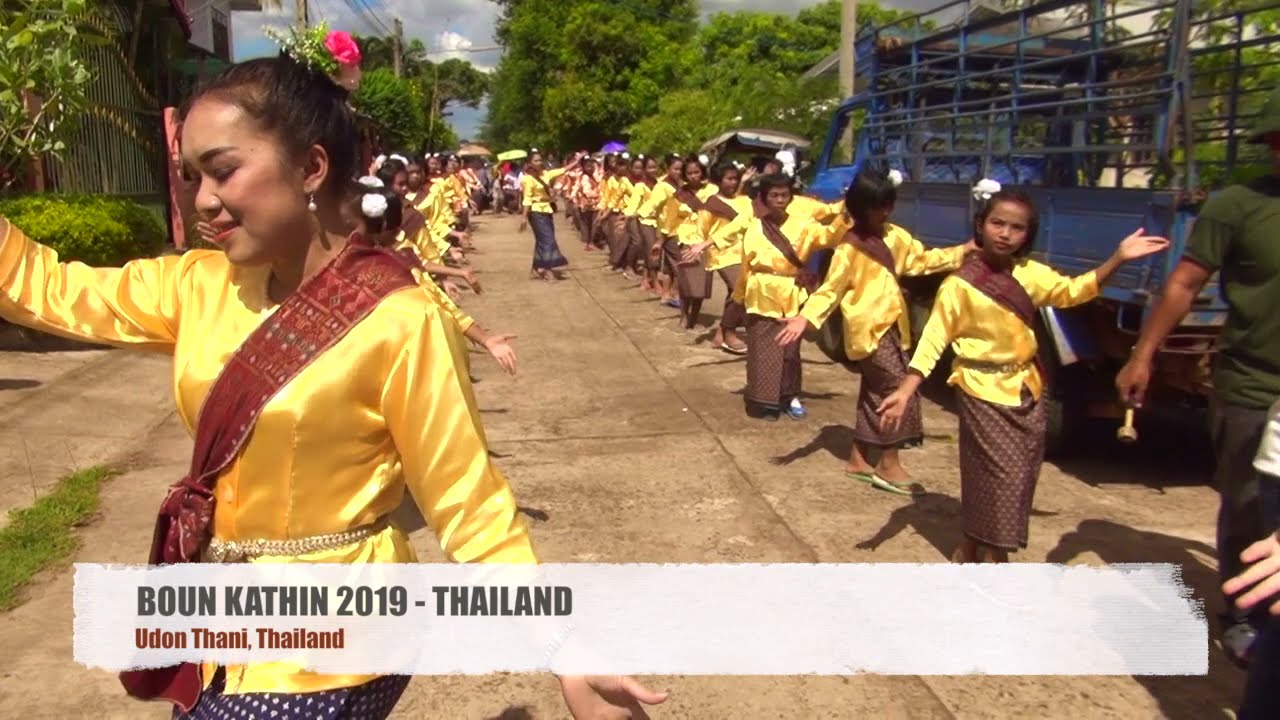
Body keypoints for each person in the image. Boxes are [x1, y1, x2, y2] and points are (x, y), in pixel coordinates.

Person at [0, 43, 663, 719]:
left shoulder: (399, 320)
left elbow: (468, 500)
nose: (203, 201)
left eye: (223, 171)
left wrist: (559, 643)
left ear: (311, 167)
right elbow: (43, 289)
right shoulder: (198, 285)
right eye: (191, 176)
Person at [878, 185, 1169, 563]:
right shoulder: (958, 285)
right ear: (980, 225)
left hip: (1026, 391)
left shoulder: (1031, 275)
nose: (1005, 234)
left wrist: (1118, 258)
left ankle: (974, 542)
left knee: (1018, 479)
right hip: (980, 390)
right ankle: (995, 556)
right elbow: (933, 340)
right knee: (994, 476)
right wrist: (906, 390)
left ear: (1027, 235)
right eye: (997, 223)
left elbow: (1073, 292)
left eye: (1016, 228)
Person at [1116, 86, 1280, 667]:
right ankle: (1242, 614)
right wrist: (1143, 355)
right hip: (1254, 384)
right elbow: (1184, 283)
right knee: (1248, 503)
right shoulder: (1237, 206)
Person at [780, 168, 974, 494]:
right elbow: (830, 290)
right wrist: (805, 318)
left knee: (875, 391)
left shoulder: (896, 236)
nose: (883, 212)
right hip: (868, 331)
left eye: (887, 205)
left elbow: (921, 261)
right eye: (876, 207)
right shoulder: (848, 248)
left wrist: (961, 251)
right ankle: (888, 463)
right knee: (899, 389)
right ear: (859, 207)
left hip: (895, 325)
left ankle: (858, 458)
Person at [713, 174, 841, 421]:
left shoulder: (805, 226)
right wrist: (739, 298)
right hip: (760, 293)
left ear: (790, 198)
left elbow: (830, 236)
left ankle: (789, 396)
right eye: (774, 195)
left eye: (784, 195)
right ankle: (763, 401)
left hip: (790, 292)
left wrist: (849, 212)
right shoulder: (755, 227)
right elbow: (746, 266)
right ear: (764, 198)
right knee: (762, 350)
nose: (779, 200)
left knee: (790, 351)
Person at [684, 161, 752, 353]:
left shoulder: (745, 201)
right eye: (729, 179)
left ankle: (720, 334)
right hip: (721, 254)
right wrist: (695, 250)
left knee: (734, 292)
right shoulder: (710, 205)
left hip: (744, 252)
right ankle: (729, 333)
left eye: (735, 179)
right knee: (739, 288)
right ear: (718, 181)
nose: (733, 182)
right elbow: (700, 231)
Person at [520, 149, 580, 282]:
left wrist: (576, 161)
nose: (539, 162)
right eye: (535, 160)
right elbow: (527, 199)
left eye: (540, 160)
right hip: (535, 212)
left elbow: (562, 170)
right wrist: (523, 217)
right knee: (548, 240)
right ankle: (548, 270)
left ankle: (536, 267)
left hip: (547, 210)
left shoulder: (546, 174)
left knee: (542, 240)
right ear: (529, 163)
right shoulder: (527, 179)